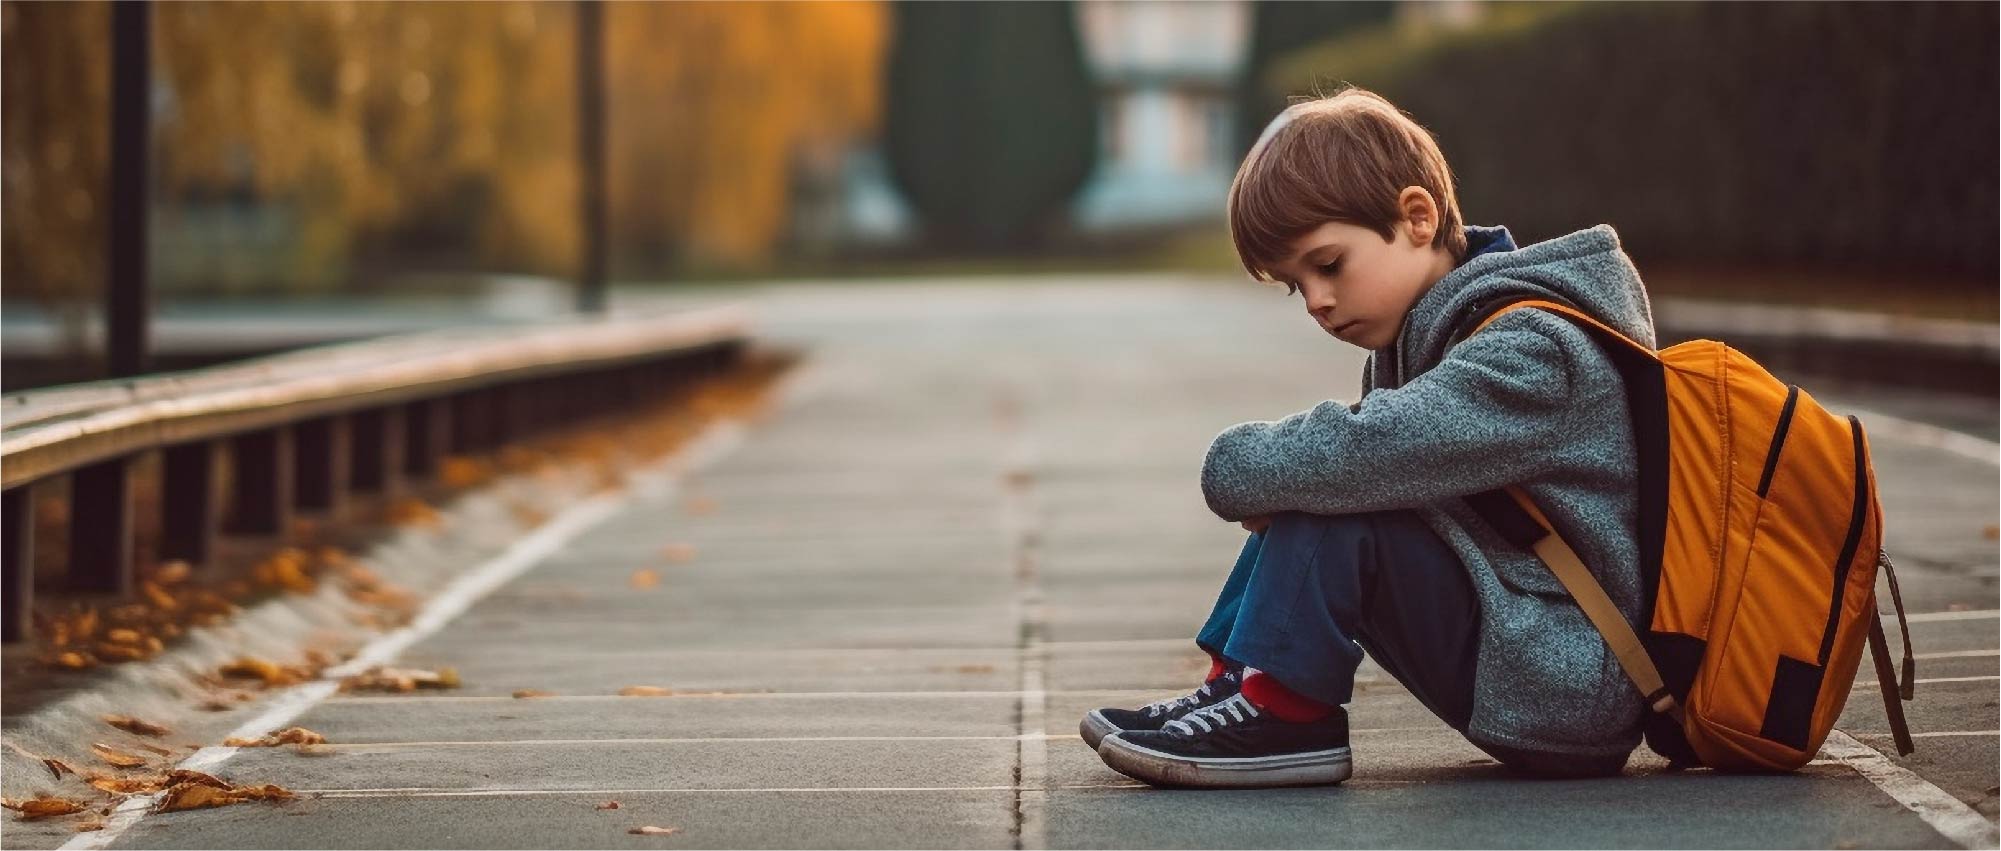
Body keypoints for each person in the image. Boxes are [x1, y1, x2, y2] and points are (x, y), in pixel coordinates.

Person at [1083, 87, 1658, 788]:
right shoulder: (1431, 337)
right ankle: (1240, 686)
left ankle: (1286, 715)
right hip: (1526, 652)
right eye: (1296, 287)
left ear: (1416, 217)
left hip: (1571, 681)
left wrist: (1240, 466)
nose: (1318, 302)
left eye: (1327, 265)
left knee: (1338, 480)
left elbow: (1361, 455)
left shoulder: (1533, 350)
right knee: (1326, 477)